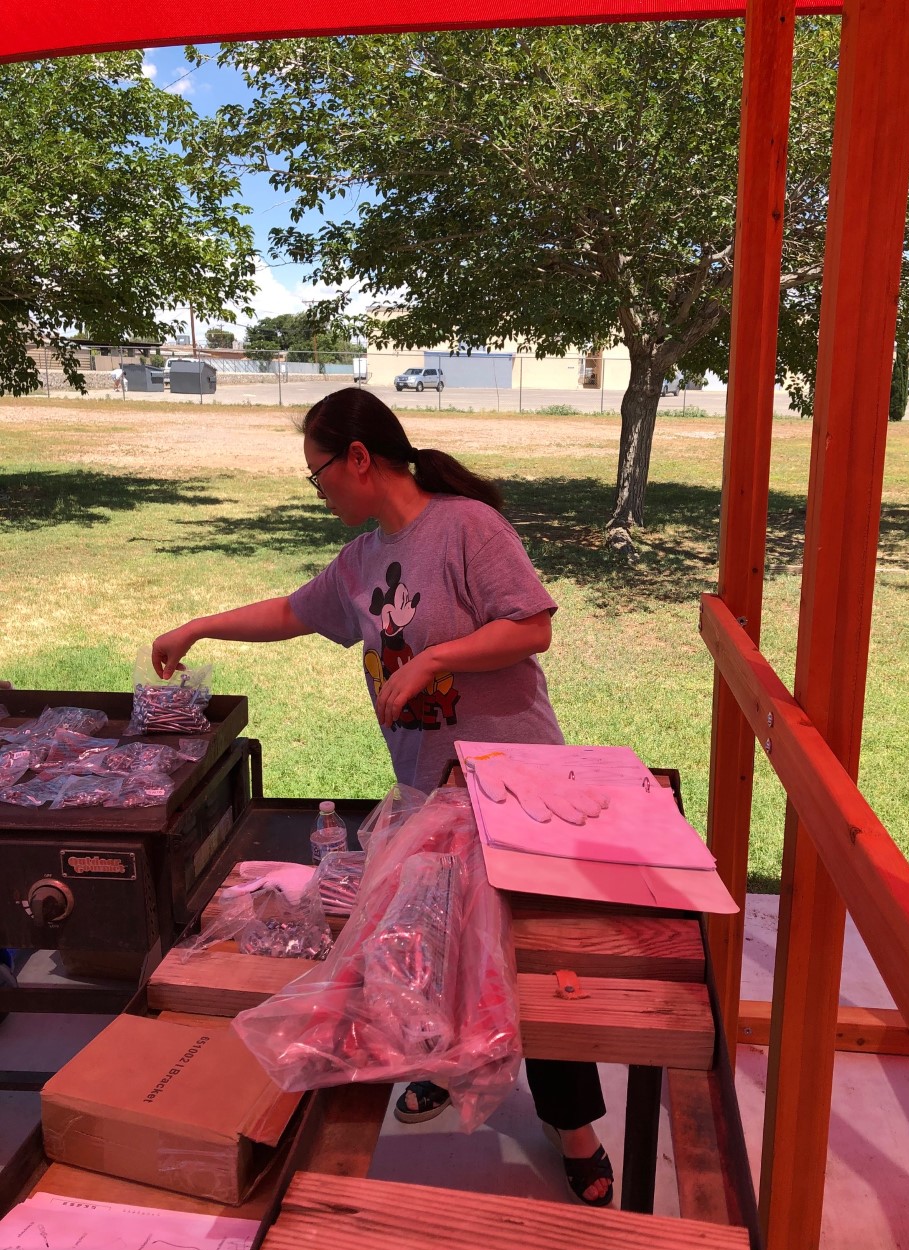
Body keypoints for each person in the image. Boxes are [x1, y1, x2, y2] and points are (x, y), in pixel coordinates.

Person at [151, 386, 613, 1207]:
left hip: (510, 782)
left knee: (525, 960)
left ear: (359, 458)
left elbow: (532, 624)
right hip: (427, 792)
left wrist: (433, 660)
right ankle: (442, 1064)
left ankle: (572, 1125)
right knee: (428, 943)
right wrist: (197, 626)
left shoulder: (466, 526)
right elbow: (292, 611)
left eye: (319, 475)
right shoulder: (363, 558)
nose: (319, 492)